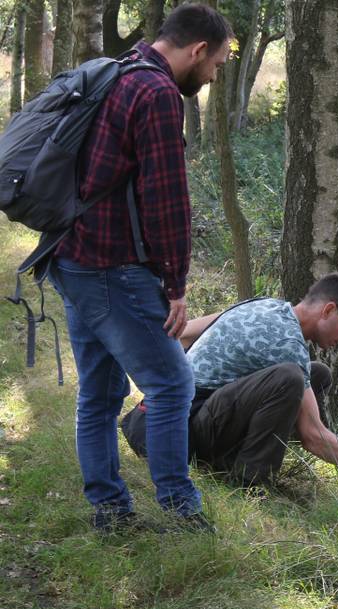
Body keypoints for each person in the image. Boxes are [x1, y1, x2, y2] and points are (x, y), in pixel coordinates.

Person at [50, 4, 232, 533]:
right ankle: (181, 509)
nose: (215, 74)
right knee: (174, 383)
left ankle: (110, 511)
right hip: (111, 265)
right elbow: (165, 197)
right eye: (217, 64)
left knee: (101, 393)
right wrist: (175, 284)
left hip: (72, 255)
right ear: (197, 51)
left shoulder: (117, 69)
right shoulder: (155, 93)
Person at [177, 273, 338, 505]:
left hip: (188, 415)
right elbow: (313, 437)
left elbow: (184, 334)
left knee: (317, 373)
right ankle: (249, 485)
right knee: (290, 378)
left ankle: (232, 461)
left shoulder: (266, 305)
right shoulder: (287, 342)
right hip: (186, 429)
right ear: (328, 310)